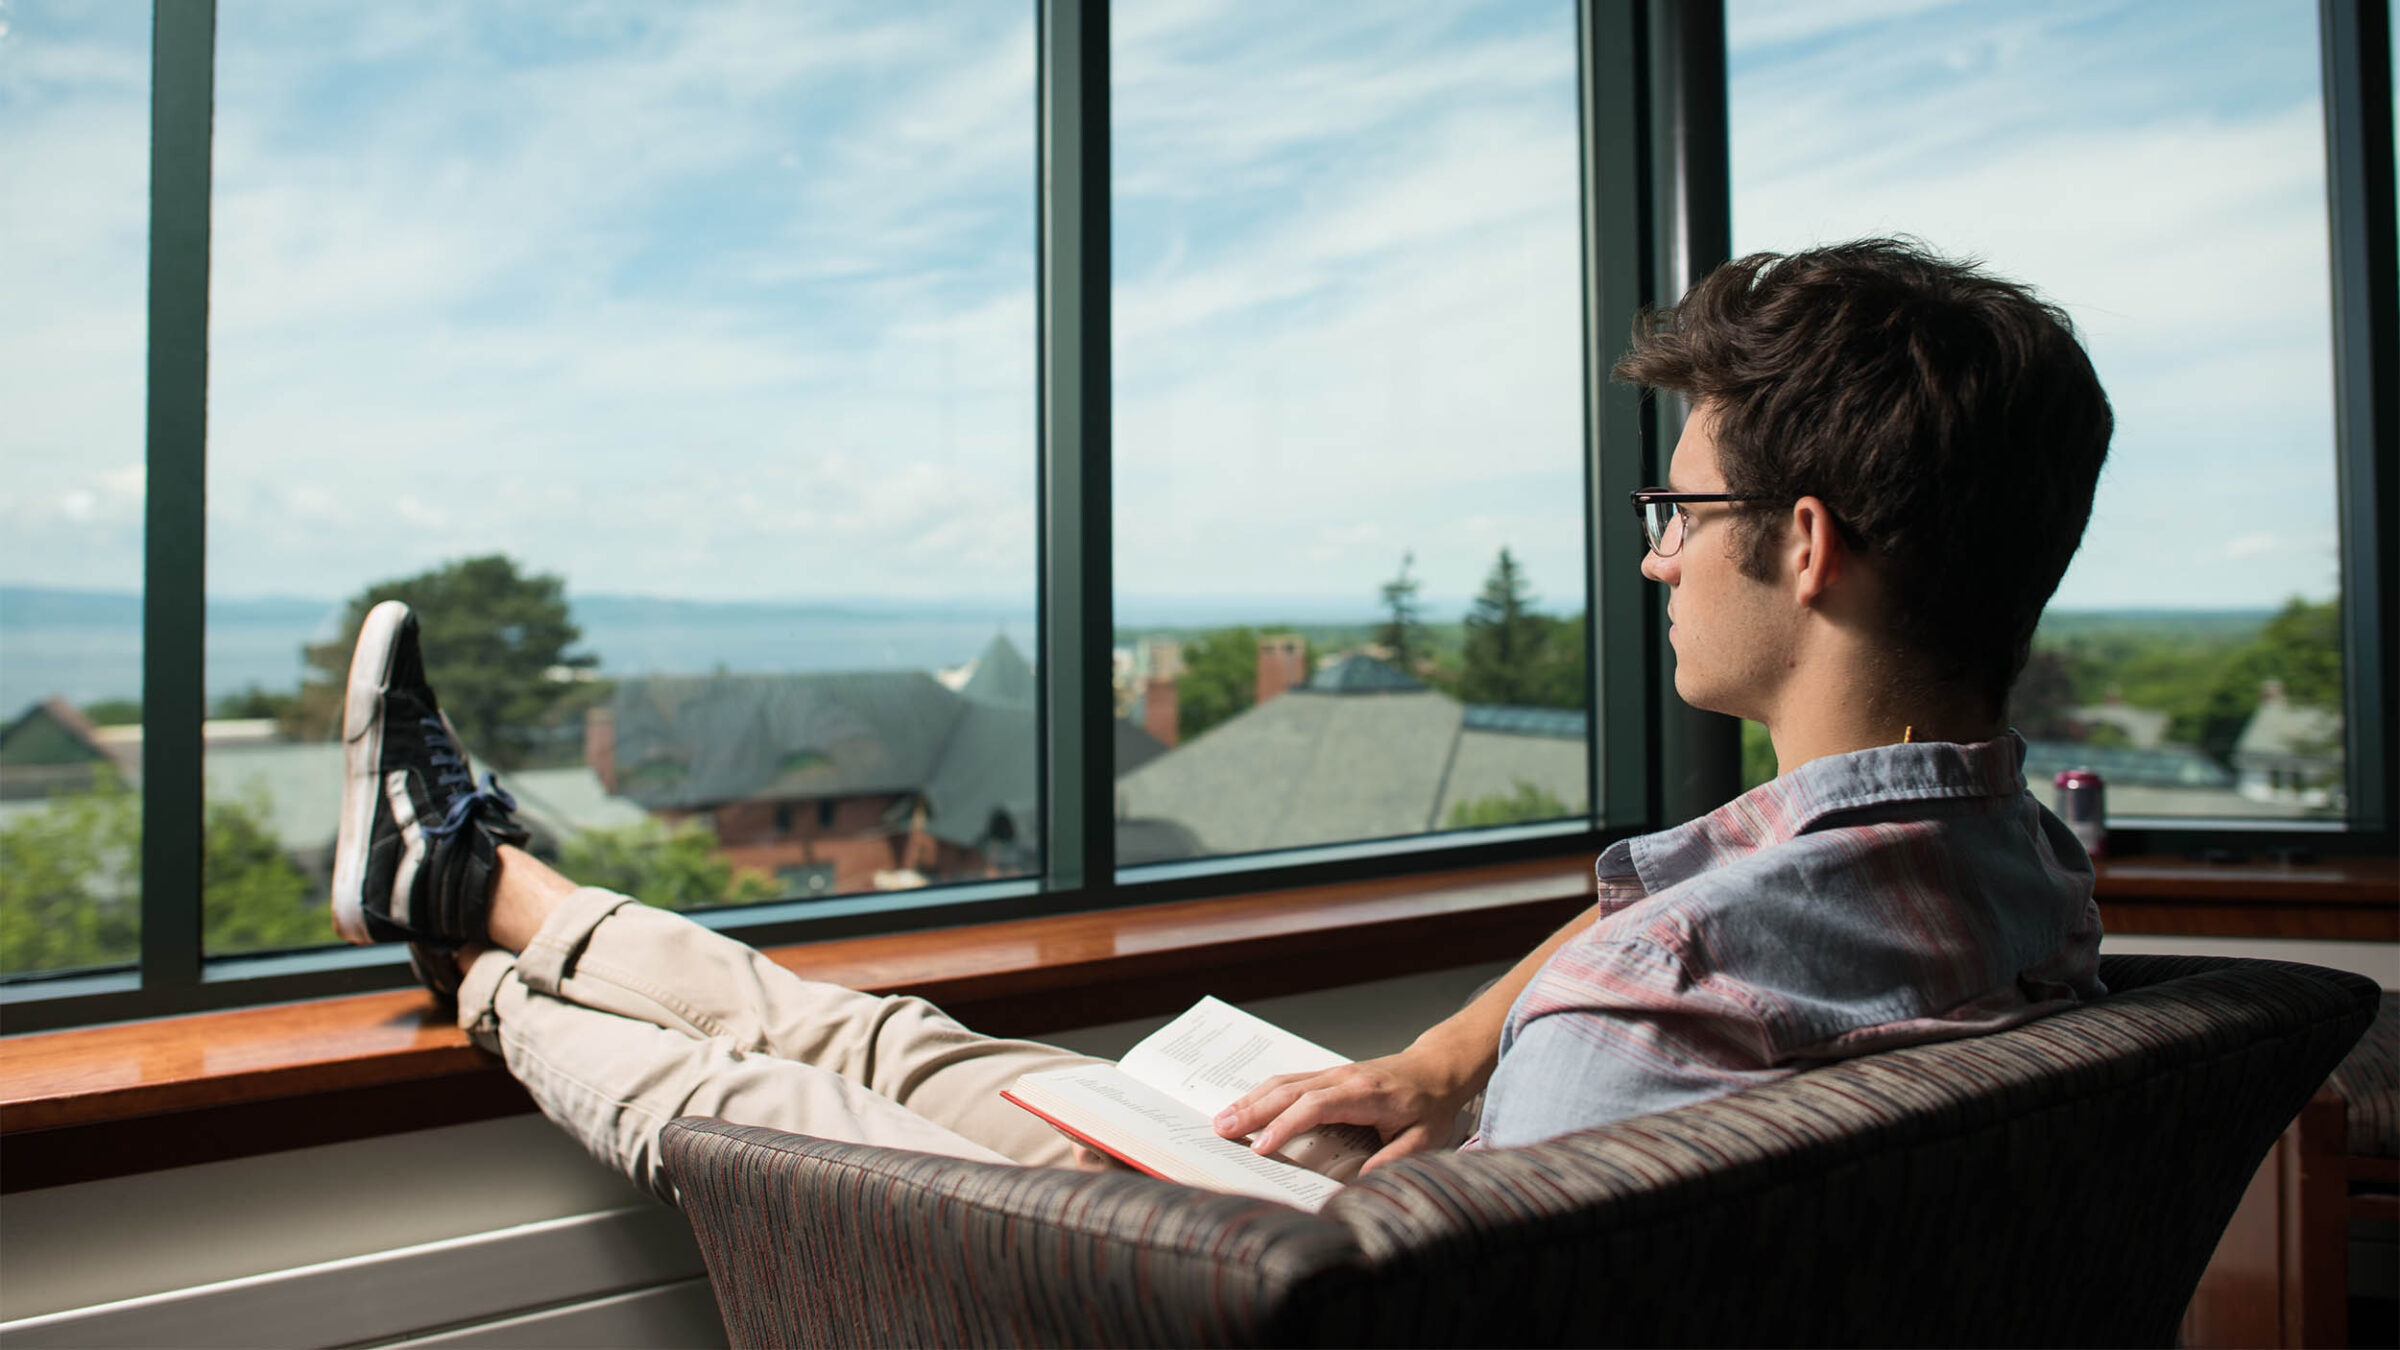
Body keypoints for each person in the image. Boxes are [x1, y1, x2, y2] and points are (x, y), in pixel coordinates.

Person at [331, 237, 2113, 1200]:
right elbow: (1674, 922)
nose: (1655, 563)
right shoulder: (2022, 862)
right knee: (900, 1043)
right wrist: (1445, 1060)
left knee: (773, 1100)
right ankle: (486, 887)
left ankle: (469, 962)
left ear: (1804, 548)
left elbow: (1603, 1072)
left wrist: (1448, 1137)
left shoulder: (1652, 1004)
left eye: (1679, 515)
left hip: (1261, 1293)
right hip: (1408, 1219)